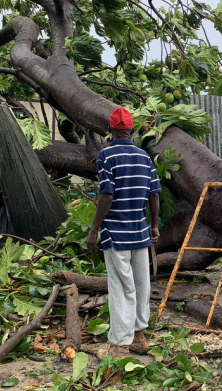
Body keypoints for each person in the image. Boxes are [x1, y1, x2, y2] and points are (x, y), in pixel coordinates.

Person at [86, 107, 161, 360]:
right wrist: (154, 225)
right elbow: (154, 194)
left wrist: (94, 230)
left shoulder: (105, 155)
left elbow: (106, 194)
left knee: (121, 286)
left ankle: (119, 345)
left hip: (116, 232)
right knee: (142, 284)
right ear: (131, 130)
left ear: (110, 130)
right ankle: (139, 336)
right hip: (140, 231)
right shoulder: (144, 157)